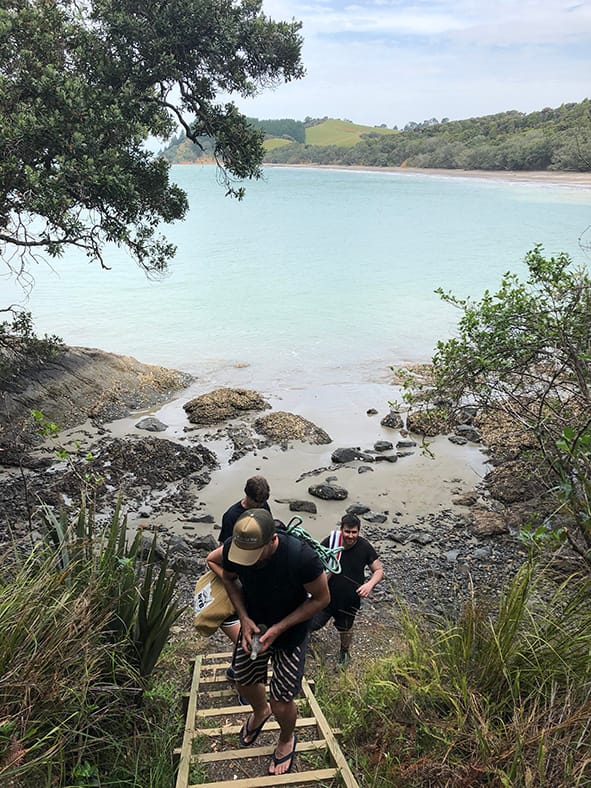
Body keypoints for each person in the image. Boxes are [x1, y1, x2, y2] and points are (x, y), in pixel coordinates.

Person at [221, 508, 330, 777]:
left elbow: (321, 599)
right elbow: (228, 577)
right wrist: (244, 618)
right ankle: (260, 712)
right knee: (244, 680)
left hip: (290, 632)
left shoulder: (301, 557)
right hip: (254, 626)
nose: (250, 562)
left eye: (256, 555)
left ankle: (285, 738)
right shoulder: (234, 549)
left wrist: (280, 628)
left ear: (272, 541)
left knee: (282, 700)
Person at [311, 513, 384, 666]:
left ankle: (344, 652)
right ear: (341, 529)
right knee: (310, 623)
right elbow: (313, 563)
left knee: (345, 628)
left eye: (354, 532)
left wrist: (369, 585)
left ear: (359, 531)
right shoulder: (331, 543)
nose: (350, 536)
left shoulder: (364, 547)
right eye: (347, 532)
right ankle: (301, 645)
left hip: (348, 599)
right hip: (325, 597)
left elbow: (378, 571)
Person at [208, 476, 272, 648]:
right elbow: (224, 550)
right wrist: (231, 578)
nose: (260, 506)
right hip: (239, 569)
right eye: (257, 502)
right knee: (237, 615)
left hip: (258, 566)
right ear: (248, 496)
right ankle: (246, 648)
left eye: (263, 502)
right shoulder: (231, 516)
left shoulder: (263, 506)